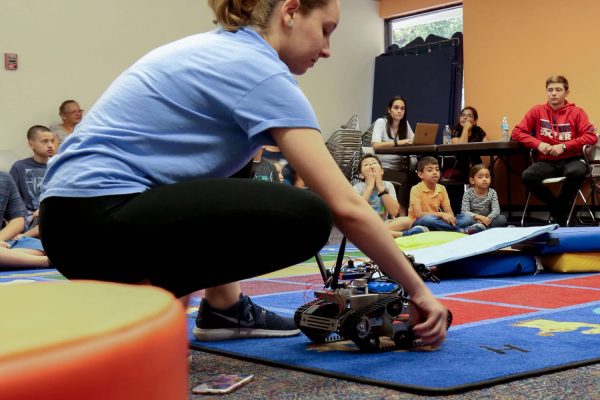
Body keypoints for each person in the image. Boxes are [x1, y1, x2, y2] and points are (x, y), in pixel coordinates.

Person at [39, 0, 449, 346]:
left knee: (239, 158)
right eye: (325, 30)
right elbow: (346, 206)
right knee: (306, 217)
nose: (327, 50)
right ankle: (157, 306)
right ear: (291, 11)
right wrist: (418, 291)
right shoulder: (260, 70)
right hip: (97, 224)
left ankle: (224, 308)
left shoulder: (217, 48)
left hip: (72, 224)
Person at [512, 75, 597, 226]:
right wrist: (538, 144)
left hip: (573, 159)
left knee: (576, 172)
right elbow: (517, 133)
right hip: (547, 161)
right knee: (528, 176)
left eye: (558, 90)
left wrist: (564, 146)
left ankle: (558, 211)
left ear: (567, 93)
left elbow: (591, 137)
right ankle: (558, 209)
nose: (554, 93)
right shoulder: (536, 111)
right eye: (550, 90)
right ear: (546, 92)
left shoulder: (577, 112)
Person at [353, 154, 427, 238]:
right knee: (359, 228)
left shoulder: (387, 185)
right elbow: (357, 211)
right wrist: (369, 186)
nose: (371, 165)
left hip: (383, 223)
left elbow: (394, 212)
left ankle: (375, 233)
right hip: (364, 225)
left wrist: (380, 187)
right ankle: (403, 235)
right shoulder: (357, 187)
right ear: (361, 175)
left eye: (374, 163)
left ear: (381, 171)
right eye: (366, 164)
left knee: (408, 220)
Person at [408, 157, 486, 234]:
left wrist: (450, 218)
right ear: (420, 174)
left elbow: (449, 212)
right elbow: (418, 214)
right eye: (430, 170)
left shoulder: (441, 188)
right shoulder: (415, 189)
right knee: (428, 219)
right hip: (420, 222)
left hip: (437, 221)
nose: (435, 172)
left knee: (466, 218)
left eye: (437, 169)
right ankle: (459, 230)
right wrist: (442, 214)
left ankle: (447, 229)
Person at [9, 125, 56, 238]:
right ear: (31, 144)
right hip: (27, 218)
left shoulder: (57, 166)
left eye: (52, 141)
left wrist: (43, 210)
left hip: (51, 213)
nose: (50, 145)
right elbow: (11, 200)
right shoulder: (19, 167)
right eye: (44, 141)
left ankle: (24, 237)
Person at [371, 96, 417, 207]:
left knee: (419, 178)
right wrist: (398, 143)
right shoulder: (381, 122)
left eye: (402, 108)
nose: (399, 111)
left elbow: (414, 141)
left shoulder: (404, 125)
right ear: (389, 109)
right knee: (406, 179)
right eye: (396, 108)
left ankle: (413, 211)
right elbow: (375, 145)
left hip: (400, 168)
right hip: (384, 168)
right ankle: (400, 212)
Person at [445, 106, 488, 179]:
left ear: (475, 121)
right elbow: (461, 147)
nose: (465, 117)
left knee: (483, 174)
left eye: (469, 116)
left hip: (476, 165)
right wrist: (466, 129)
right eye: (463, 115)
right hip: (459, 166)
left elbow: (488, 147)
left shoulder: (478, 131)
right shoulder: (455, 130)